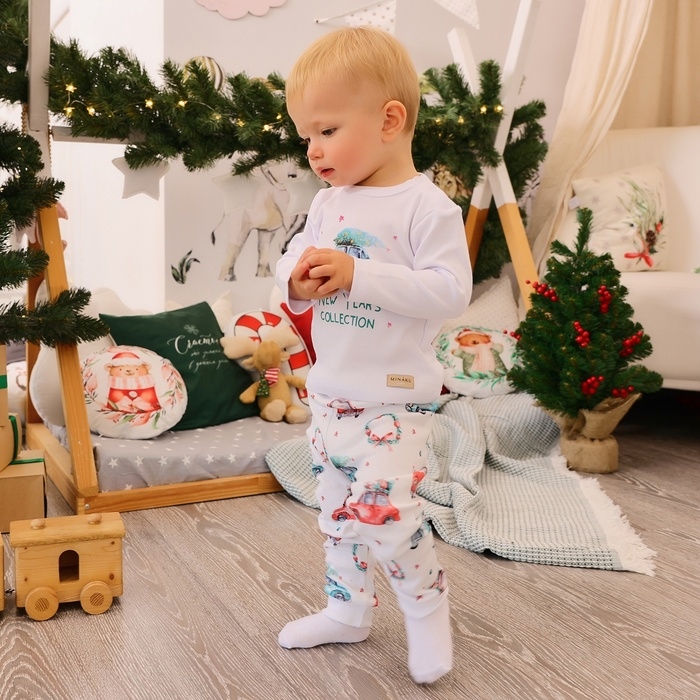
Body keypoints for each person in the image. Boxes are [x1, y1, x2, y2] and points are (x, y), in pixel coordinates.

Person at [275, 25, 472, 685]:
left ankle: (426, 607)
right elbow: (289, 267)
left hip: (395, 399)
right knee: (337, 518)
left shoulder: (427, 208)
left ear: (390, 120)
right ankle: (347, 610)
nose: (313, 149)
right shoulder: (327, 204)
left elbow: (450, 291)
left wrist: (359, 275)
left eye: (326, 130)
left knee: (386, 515)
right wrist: (296, 282)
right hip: (331, 394)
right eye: (305, 134)